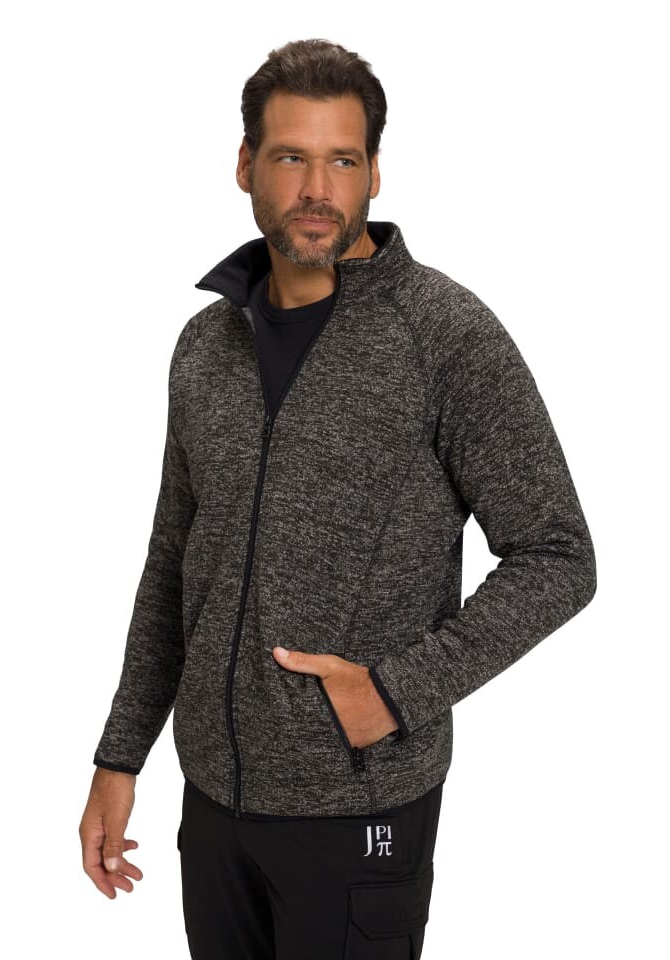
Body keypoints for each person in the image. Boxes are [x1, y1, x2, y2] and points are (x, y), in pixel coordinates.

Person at [79, 38, 596, 959]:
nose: (318, 189)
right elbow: (174, 563)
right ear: (246, 164)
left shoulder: (445, 335)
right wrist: (121, 756)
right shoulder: (206, 344)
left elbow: (559, 556)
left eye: (343, 161)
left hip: (361, 810)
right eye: (291, 157)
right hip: (214, 807)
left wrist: (396, 692)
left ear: (375, 174)